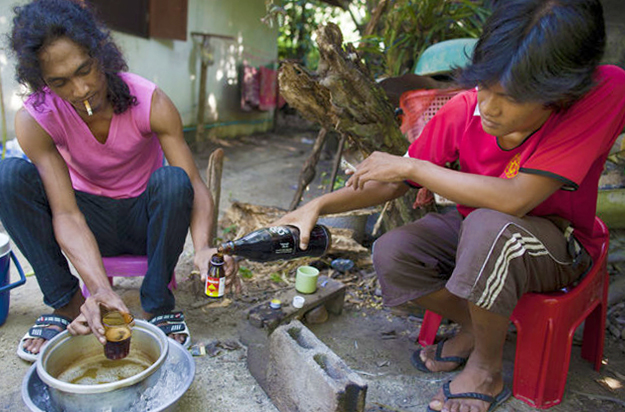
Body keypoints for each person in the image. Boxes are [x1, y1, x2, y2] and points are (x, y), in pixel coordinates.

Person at [275, 1, 625, 411]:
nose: (489, 108)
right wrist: (318, 205)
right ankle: (477, 327)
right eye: (485, 87)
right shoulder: (466, 109)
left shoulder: (604, 90)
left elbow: (516, 198)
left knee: (488, 229)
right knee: (394, 253)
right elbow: (395, 183)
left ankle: (486, 367)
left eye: (509, 98)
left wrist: (416, 168)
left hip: (559, 245)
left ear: (559, 93)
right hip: (482, 235)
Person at [0, 0, 238, 362]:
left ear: (101, 53)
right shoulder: (37, 118)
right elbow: (66, 214)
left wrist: (204, 246)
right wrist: (97, 288)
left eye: (85, 70)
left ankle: (157, 304)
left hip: (144, 220)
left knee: (173, 180)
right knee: (8, 176)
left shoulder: (149, 100)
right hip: (88, 220)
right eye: (60, 82)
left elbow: (193, 183)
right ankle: (69, 305)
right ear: (41, 81)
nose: (80, 90)